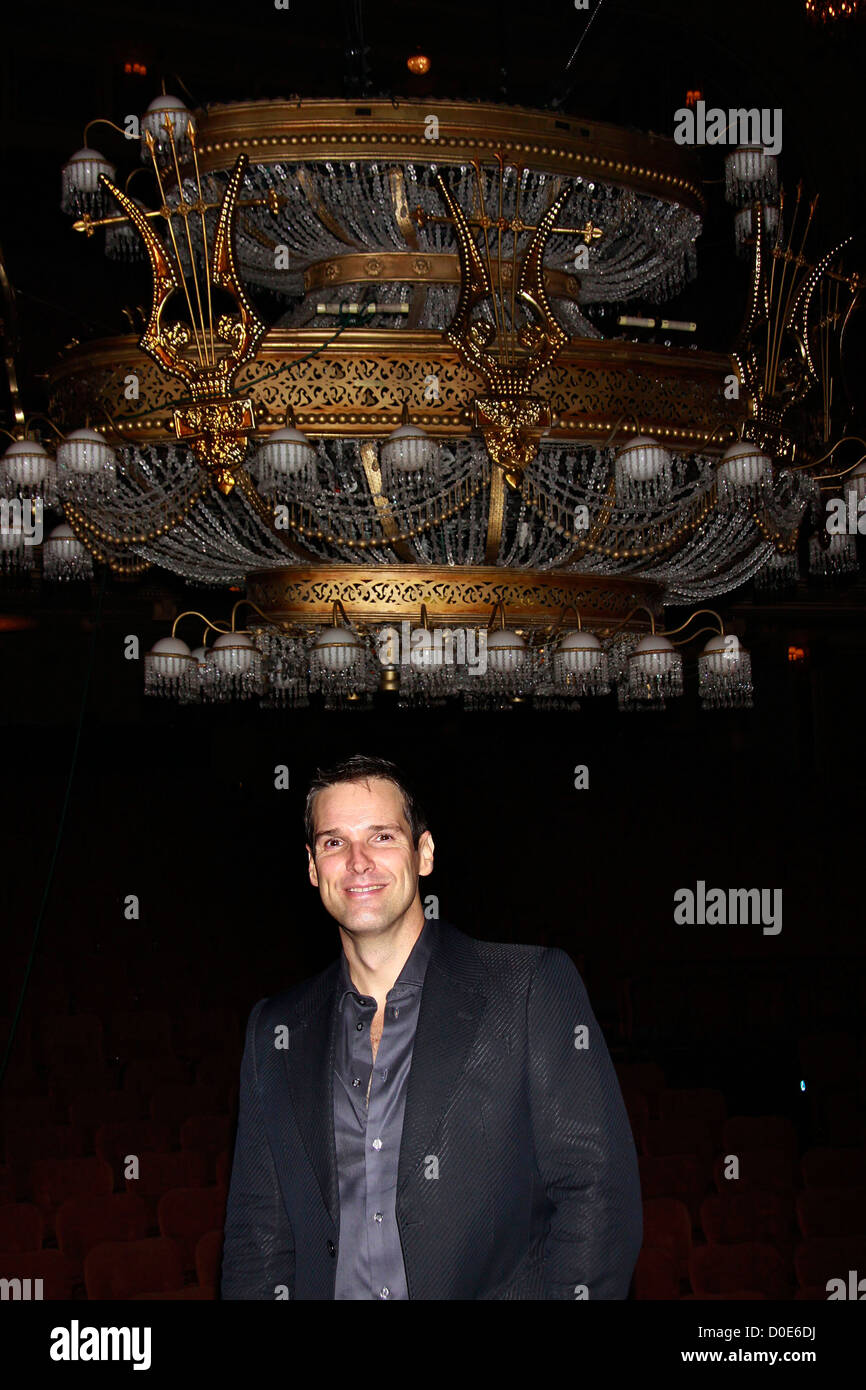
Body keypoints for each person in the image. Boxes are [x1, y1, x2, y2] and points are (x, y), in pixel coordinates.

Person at [221, 753, 642, 1299]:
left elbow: (597, 1196)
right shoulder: (272, 1031)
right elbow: (257, 1235)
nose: (358, 861)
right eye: (333, 843)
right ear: (311, 867)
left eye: (382, 837)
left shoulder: (529, 987)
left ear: (424, 853)